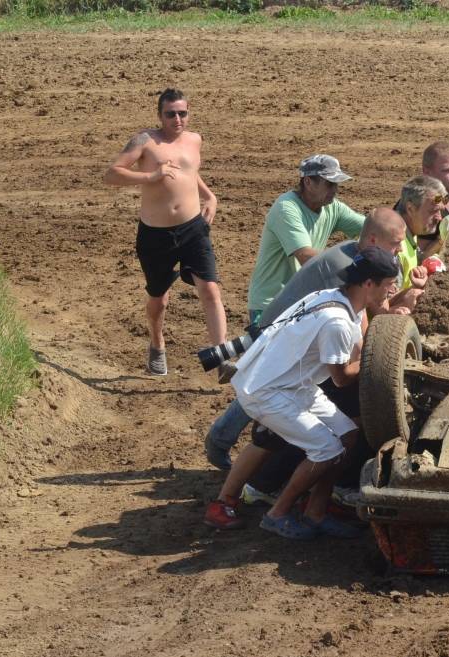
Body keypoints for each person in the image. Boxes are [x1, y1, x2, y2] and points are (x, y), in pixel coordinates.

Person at [203, 248, 399, 539]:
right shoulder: (337, 321)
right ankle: (277, 514)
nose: (392, 290)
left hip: (290, 383)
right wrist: (380, 358)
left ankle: (315, 511)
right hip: (268, 391)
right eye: (388, 284)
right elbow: (343, 378)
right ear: (368, 284)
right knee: (326, 450)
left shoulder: (337, 297)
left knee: (347, 436)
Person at [203, 208, 407, 470]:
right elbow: (358, 322)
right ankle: (221, 439)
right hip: (281, 328)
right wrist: (371, 358)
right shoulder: (343, 267)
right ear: (374, 241)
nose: (400, 249)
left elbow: (363, 313)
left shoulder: (354, 254)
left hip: (298, 325)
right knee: (263, 384)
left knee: (263, 384)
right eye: (396, 243)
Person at [103, 88, 227, 376]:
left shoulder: (195, 140)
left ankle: (222, 357)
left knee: (209, 289)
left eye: (182, 113)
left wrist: (210, 196)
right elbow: (111, 174)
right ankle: (157, 344)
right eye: (171, 114)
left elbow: (189, 172)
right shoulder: (146, 141)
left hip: (193, 228)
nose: (177, 119)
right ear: (159, 115)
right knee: (159, 298)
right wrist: (151, 176)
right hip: (156, 235)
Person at [247, 154, 365, 327]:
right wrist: (357, 269)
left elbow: (370, 227)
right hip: (271, 305)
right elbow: (306, 257)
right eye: (329, 184)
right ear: (308, 182)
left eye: (336, 184)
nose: (335, 190)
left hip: (304, 302)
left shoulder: (332, 207)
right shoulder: (286, 208)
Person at [396, 175, 447, 292]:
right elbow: (382, 306)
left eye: (440, 211)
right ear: (410, 209)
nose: (439, 218)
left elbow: (417, 259)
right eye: (433, 211)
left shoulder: (408, 231)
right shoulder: (393, 246)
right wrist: (416, 289)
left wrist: (440, 240)